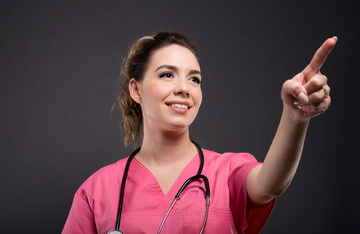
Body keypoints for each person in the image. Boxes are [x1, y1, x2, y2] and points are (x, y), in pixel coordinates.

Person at [62, 32, 337, 233]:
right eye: (167, 74)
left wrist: (295, 116)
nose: (185, 87)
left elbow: (271, 183)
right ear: (136, 90)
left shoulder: (227, 172)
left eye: (194, 78)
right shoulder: (96, 191)